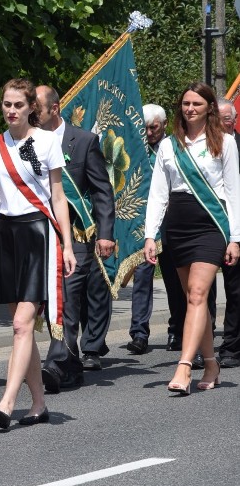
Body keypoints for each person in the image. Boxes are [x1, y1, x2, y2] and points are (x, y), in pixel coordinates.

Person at [0, 78, 76, 429]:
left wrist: (67, 244)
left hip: (38, 233)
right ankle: (39, 403)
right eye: (6, 104)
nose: (11, 110)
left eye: (18, 105)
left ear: (32, 107)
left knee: (20, 325)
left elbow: (57, 196)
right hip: (7, 236)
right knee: (23, 329)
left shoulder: (46, 142)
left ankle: (7, 401)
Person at [144, 82, 240, 394]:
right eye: (186, 103)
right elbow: (158, 194)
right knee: (193, 300)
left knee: (199, 294)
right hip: (178, 224)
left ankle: (184, 366)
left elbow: (234, 193)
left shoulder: (225, 142)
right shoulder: (170, 146)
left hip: (211, 223)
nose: (190, 109)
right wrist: (149, 235)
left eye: (197, 104)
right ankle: (211, 363)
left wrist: (235, 237)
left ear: (209, 107)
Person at [33, 85, 114, 392]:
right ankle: (71, 364)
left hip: (77, 237)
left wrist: (105, 234)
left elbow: (101, 190)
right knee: (49, 300)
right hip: (40, 235)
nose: (31, 115)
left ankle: (56, 364)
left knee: (64, 297)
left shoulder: (83, 141)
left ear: (55, 109)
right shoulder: (28, 142)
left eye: (36, 109)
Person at [123, 104, 165, 354]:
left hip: (171, 224)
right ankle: (139, 333)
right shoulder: (133, 150)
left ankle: (178, 330)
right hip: (140, 226)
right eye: (145, 128)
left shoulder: (174, 148)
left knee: (175, 280)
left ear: (163, 125)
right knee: (142, 279)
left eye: (154, 128)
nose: (149, 133)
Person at [217, 98, 240, 367]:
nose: (223, 123)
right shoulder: (207, 147)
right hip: (219, 226)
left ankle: (232, 344)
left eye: (226, 119)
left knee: (235, 289)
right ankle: (229, 345)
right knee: (231, 289)